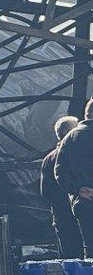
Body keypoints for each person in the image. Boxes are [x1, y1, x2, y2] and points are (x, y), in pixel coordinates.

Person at [55, 99, 93, 257]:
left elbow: (59, 172)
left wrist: (77, 189)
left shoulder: (69, 138)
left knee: (90, 250)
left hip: (83, 204)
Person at [42, 115, 82, 257]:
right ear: (67, 133)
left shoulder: (48, 159)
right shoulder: (76, 155)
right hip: (80, 215)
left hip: (61, 217)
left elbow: (45, 192)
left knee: (71, 260)